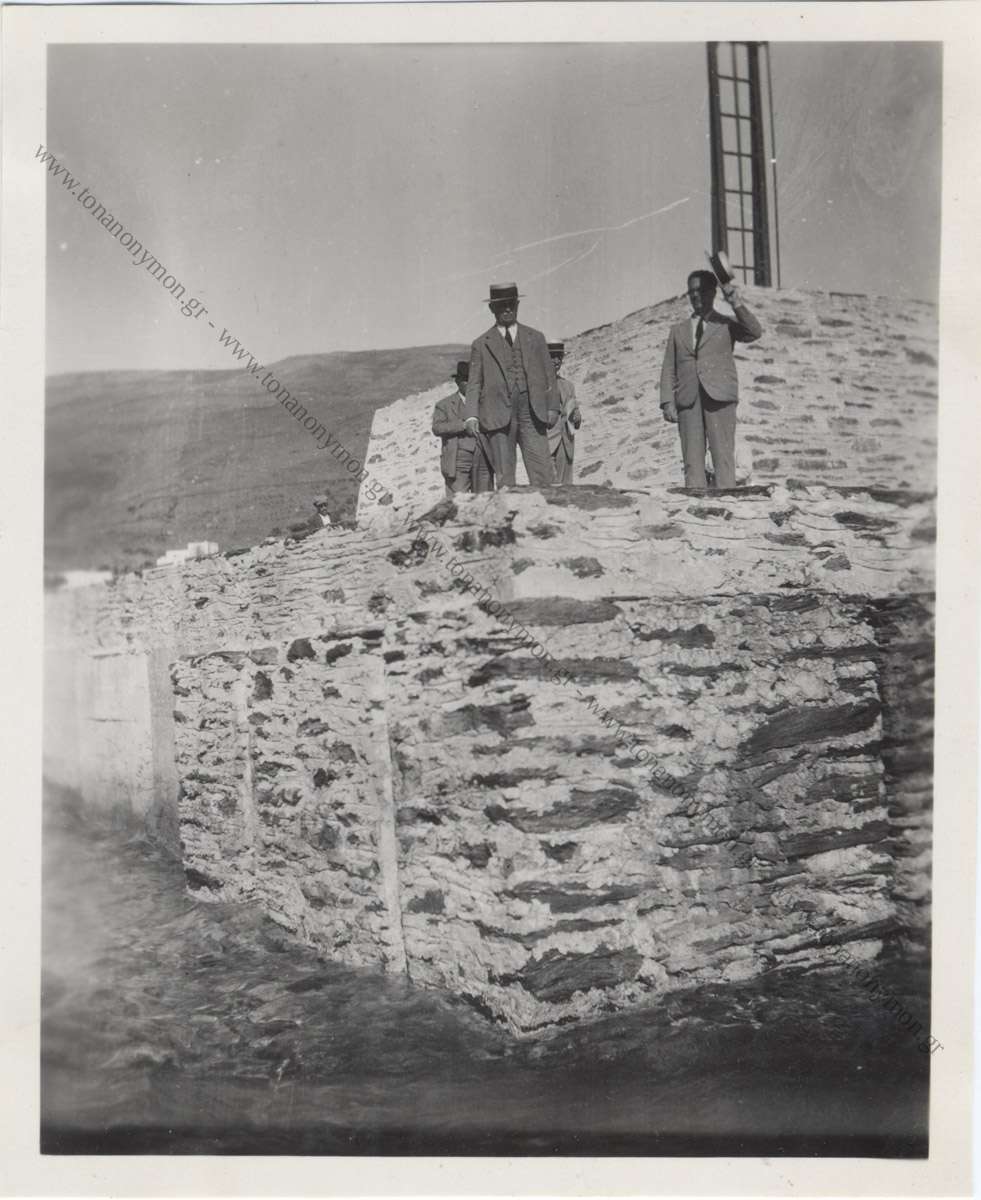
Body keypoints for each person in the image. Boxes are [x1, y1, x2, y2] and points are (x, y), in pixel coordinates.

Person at [659, 269, 762, 489]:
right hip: (688, 400)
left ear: (713, 293)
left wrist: (734, 301)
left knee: (723, 458)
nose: (695, 296)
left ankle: (727, 503)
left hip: (720, 397)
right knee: (692, 462)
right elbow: (668, 367)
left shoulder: (725, 325)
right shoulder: (677, 331)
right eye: (691, 292)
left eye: (701, 290)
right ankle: (696, 505)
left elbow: (754, 332)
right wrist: (667, 402)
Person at [463, 282, 559, 489]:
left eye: (511, 304)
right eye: (501, 305)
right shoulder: (481, 344)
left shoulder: (536, 338)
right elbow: (474, 383)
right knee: (505, 478)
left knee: (542, 472)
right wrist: (471, 416)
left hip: (532, 413)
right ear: (492, 308)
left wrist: (553, 407)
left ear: (517, 305)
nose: (507, 309)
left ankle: (545, 508)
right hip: (497, 416)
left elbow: (550, 376)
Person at [432, 361, 489, 496]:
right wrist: (463, 425)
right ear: (458, 382)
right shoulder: (444, 405)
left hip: (483, 457)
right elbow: (437, 428)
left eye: (474, 381)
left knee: (485, 499)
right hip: (458, 459)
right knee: (457, 500)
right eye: (466, 380)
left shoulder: (485, 402)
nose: (471, 385)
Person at [545, 341, 581, 484]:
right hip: (546, 443)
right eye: (552, 356)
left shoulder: (568, 385)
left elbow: (573, 411)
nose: (557, 361)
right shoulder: (536, 384)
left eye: (559, 357)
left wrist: (577, 417)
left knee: (566, 488)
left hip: (566, 443)